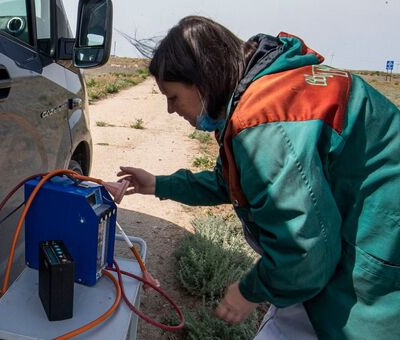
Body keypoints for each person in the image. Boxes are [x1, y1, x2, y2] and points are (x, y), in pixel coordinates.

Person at [117, 16, 400, 339]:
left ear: (203, 80)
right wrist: (156, 183)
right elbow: (232, 185)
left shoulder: (264, 124)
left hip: (377, 259)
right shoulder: (269, 89)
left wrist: (250, 290)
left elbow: (304, 253)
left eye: (173, 97)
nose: (171, 110)